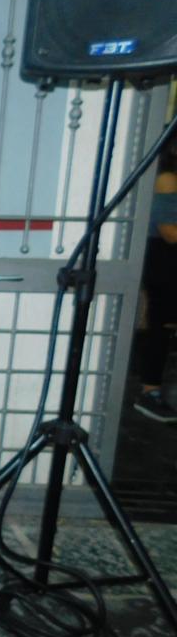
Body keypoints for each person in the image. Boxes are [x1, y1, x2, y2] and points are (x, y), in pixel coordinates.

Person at [133, 130, 177, 423]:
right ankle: (149, 392)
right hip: (163, 257)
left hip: (165, 257)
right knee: (161, 324)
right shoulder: (167, 179)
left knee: (162, 323)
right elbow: (169, 232)